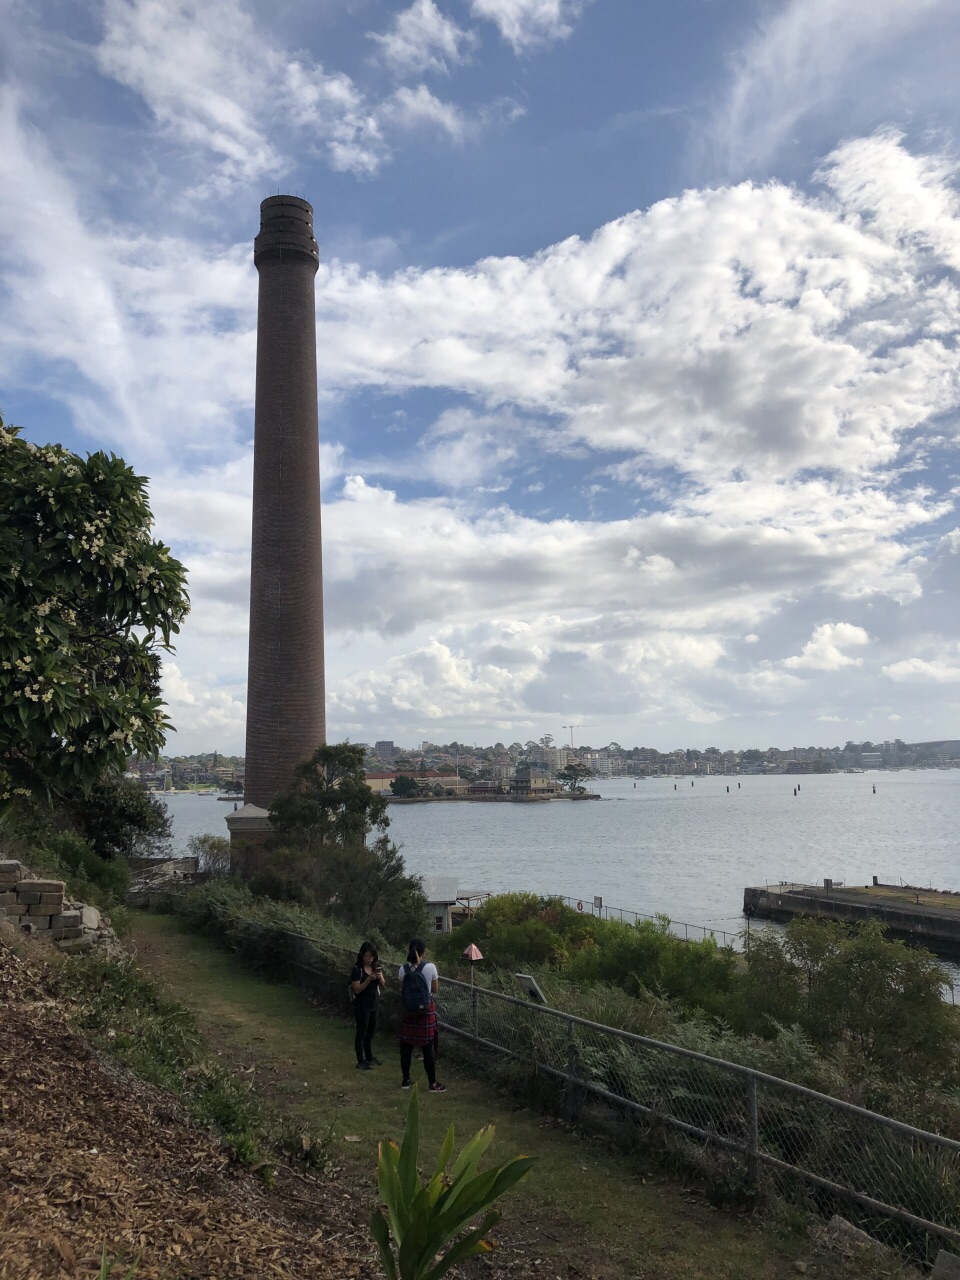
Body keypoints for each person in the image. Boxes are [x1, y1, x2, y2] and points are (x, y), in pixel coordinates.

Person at [397, 937, 446, 1093]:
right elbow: (435, 989)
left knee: (406, 1047)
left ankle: (405, 1080)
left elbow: (403, 990)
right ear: (424, 951)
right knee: (427, 1048)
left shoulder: (402, 969)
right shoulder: (430, 967)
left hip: (408, 1012)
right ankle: (432, 1083)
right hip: (425, 1011)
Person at [350, 941, 385, 1070]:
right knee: (361, 1032)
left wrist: (380, 977)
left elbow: (383, 984)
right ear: (362, 956)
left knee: (370, 1031)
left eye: (372, 956)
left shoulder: (376, 967)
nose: (370, 959)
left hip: (373, 1003)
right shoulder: (357, 969)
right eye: (367, 956)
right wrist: (368, 979)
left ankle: (369, 1057)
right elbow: (357, 989)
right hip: (362, 1004)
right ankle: (361, 1060)